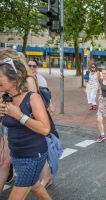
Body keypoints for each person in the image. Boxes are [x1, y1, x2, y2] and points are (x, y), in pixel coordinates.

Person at [0, 58, 52, 199]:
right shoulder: (6, 99)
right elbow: (8, 127)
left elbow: (45, 129)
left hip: (33, 156)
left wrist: (19, 115)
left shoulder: (32, 98)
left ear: (14, 80)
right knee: (35, 187)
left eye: (0, 76)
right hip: (17, 155)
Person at [0, 48, 39, 195]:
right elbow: (5, 97)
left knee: (23, 172)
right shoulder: (5, 79)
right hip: (9, 125)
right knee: (4, 161)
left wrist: (18, 115)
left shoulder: (28, 80)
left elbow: (35, 109)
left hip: (25, 129)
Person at [28, 59, 56, 188]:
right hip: (25, 118)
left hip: (35, 116)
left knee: (39, 146)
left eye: (34, 66)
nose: (32, 67)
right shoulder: (23, 78)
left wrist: (50, 106)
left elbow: (45, 96)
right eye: (30, 65)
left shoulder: (39, 79)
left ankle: (45, 177)